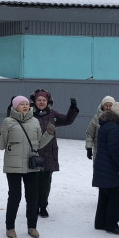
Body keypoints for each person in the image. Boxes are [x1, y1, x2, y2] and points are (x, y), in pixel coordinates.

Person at [0, 95, 54, 238]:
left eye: (27, 104)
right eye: (22, 104)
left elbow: (39, 143)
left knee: (32, 197)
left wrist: (49, 134)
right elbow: (1, 145)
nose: (25, 106)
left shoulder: (35, 122)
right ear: (15, 107)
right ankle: (10, 228)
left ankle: (32, 227)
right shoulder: (8, 122)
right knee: (14, 197)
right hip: (13, 166)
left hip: (31, 164)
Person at [30, 89, 80, 217]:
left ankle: (43, 206)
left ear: (48, 102)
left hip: (48, 153)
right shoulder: (29, 113)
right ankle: (34, 206)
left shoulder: (52, 114)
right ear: (34, 101)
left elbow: (67, 120)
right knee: (33, 182)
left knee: (45, 183)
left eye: (44, 100)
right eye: (39, 100)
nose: (41, 102)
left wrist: (72, 109)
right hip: (33, 153)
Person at [92, 101, 119, 234]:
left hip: (102, 165)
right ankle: (112, 224)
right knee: (115, 196)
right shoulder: (114, 128)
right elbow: (114, 149)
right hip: (110, 167)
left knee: (104, 195)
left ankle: (100, 222)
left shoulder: (106, 125)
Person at [85, 95, 115, 161]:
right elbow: (89, 134)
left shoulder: (117, 119)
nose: (108, 107)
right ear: (102, 106)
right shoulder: (96, 118)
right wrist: (89, 147)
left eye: (110, 105)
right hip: (98, 153)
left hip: (113, 154)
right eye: (106, 105)